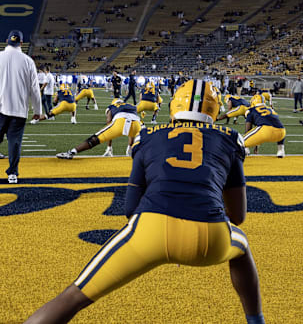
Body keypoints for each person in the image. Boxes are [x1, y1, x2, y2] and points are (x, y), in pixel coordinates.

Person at [26, 79, 264, 324]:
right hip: (210, 236)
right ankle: (256, 320)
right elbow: (238, 216)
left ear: (174, 104)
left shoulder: (147, 135)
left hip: (151, 228)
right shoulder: (231, 138)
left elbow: (131, 208)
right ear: (215, 108)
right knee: (241, 246)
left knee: (73, 296)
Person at [0, 30, 41, 183]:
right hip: (19, 109)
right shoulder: (27, 61)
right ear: (21, 43)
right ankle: (12, 173)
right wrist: (37, 110)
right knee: (15, 142)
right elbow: (34, 88)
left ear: (7, 40)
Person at [56, 98, 142, 159]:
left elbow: (109, 122)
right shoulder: (131, 105)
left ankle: (71, 152)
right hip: (137, 124)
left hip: (120, 121)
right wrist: (130, 146)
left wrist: (109, 145)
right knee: (147, 141)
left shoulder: (112, 106)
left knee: (95, 139)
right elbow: (132, 127)